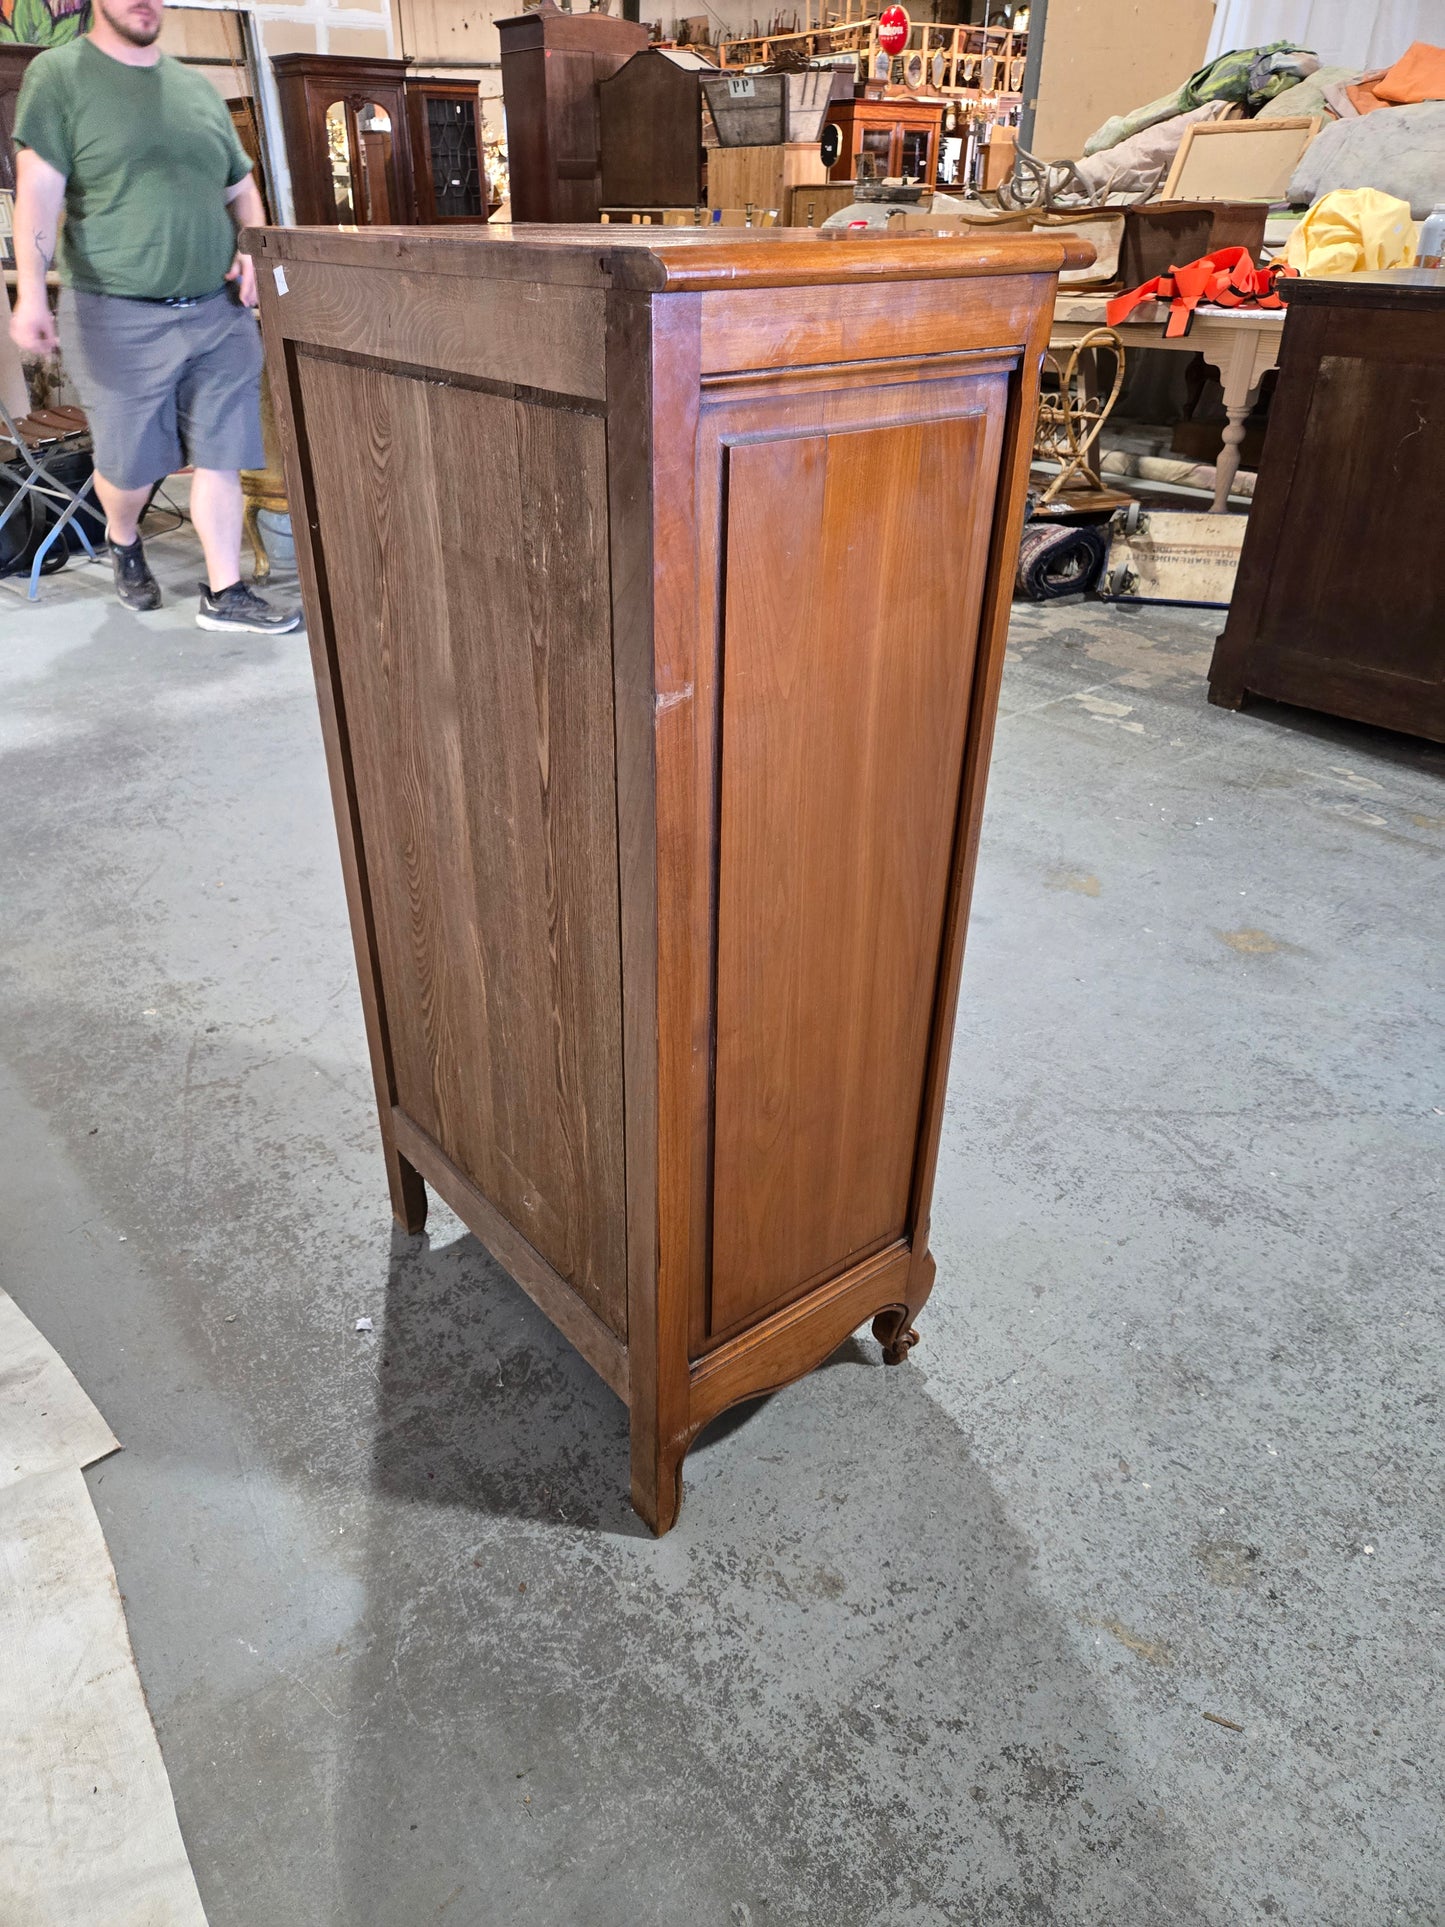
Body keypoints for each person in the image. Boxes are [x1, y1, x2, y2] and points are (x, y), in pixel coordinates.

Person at [8, 0, 300, 633]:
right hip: (116, 315)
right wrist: (31, 292)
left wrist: (254, 247)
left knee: (223, 454)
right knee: (132, 467)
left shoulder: (195, 88)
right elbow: (36, 192)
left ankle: (225, 592)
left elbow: (240, 185)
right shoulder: (60, 76)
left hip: (217, 312)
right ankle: (122, 536)